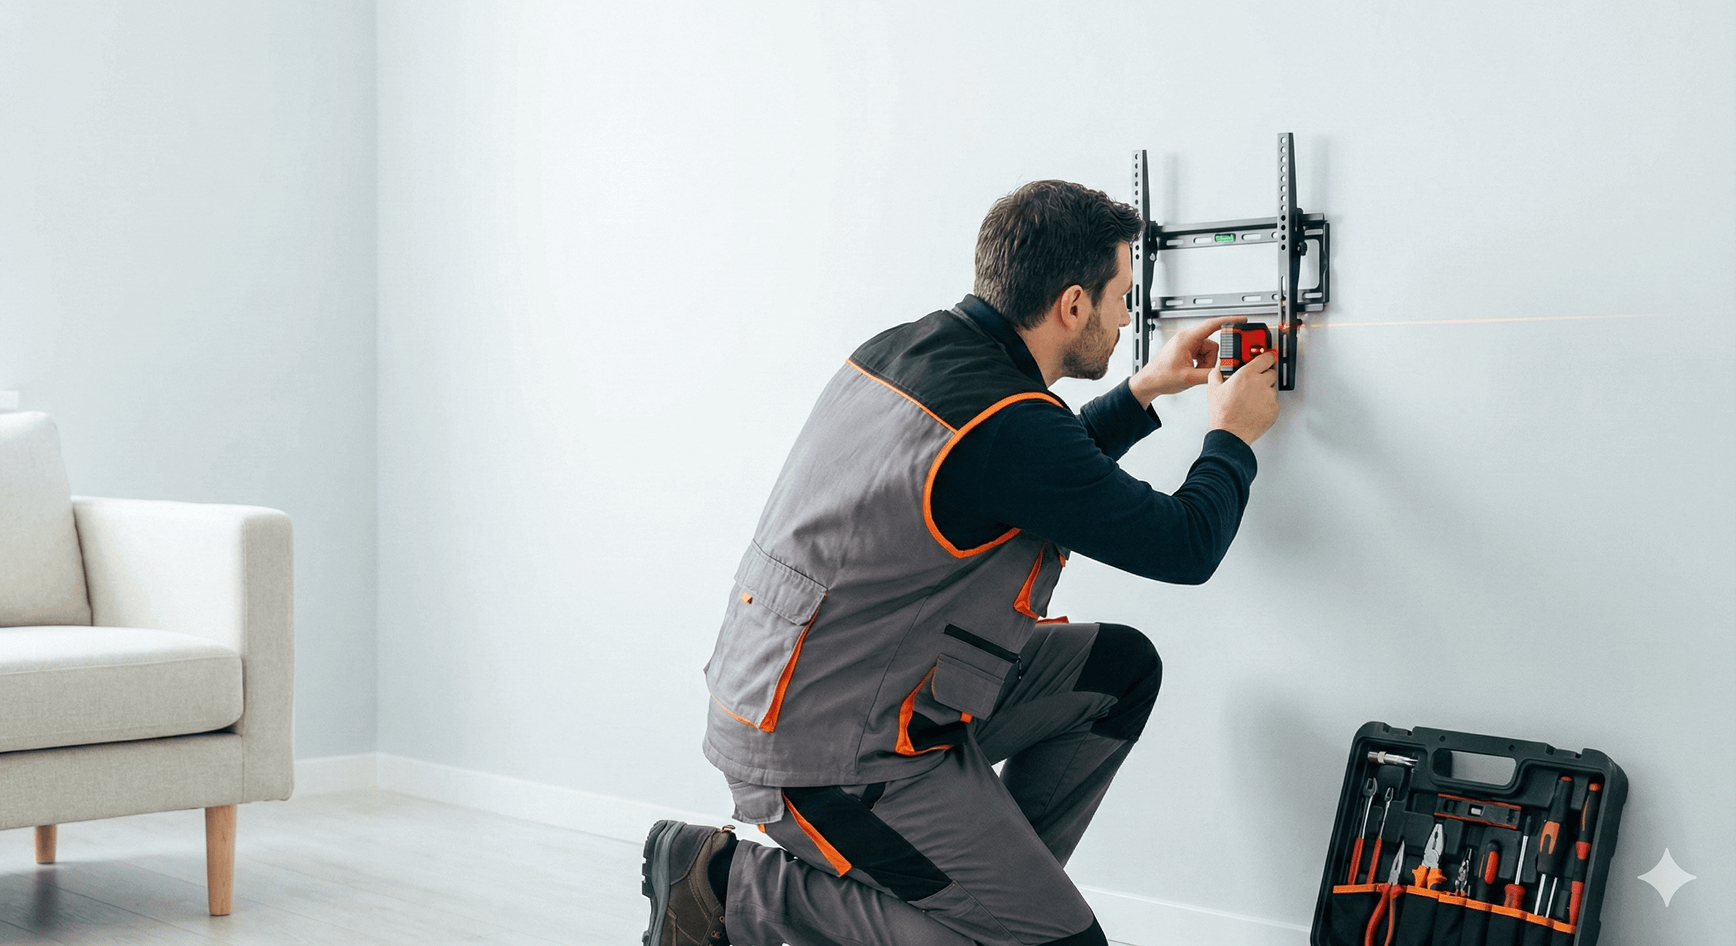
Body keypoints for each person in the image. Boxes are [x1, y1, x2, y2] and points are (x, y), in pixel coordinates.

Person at [642, 180, 1280, 946]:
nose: (1124, 318)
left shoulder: (908, 349)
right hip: (822, 751)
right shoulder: (1009, 427)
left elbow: (1019, 472)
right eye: (1120, 297)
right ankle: (726, 887)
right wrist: (1232, 439)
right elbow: (1185, 545)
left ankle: (1000, 904)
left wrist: (1141, 390)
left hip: (833, 688)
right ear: (1072, 305)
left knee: (1116, 671)